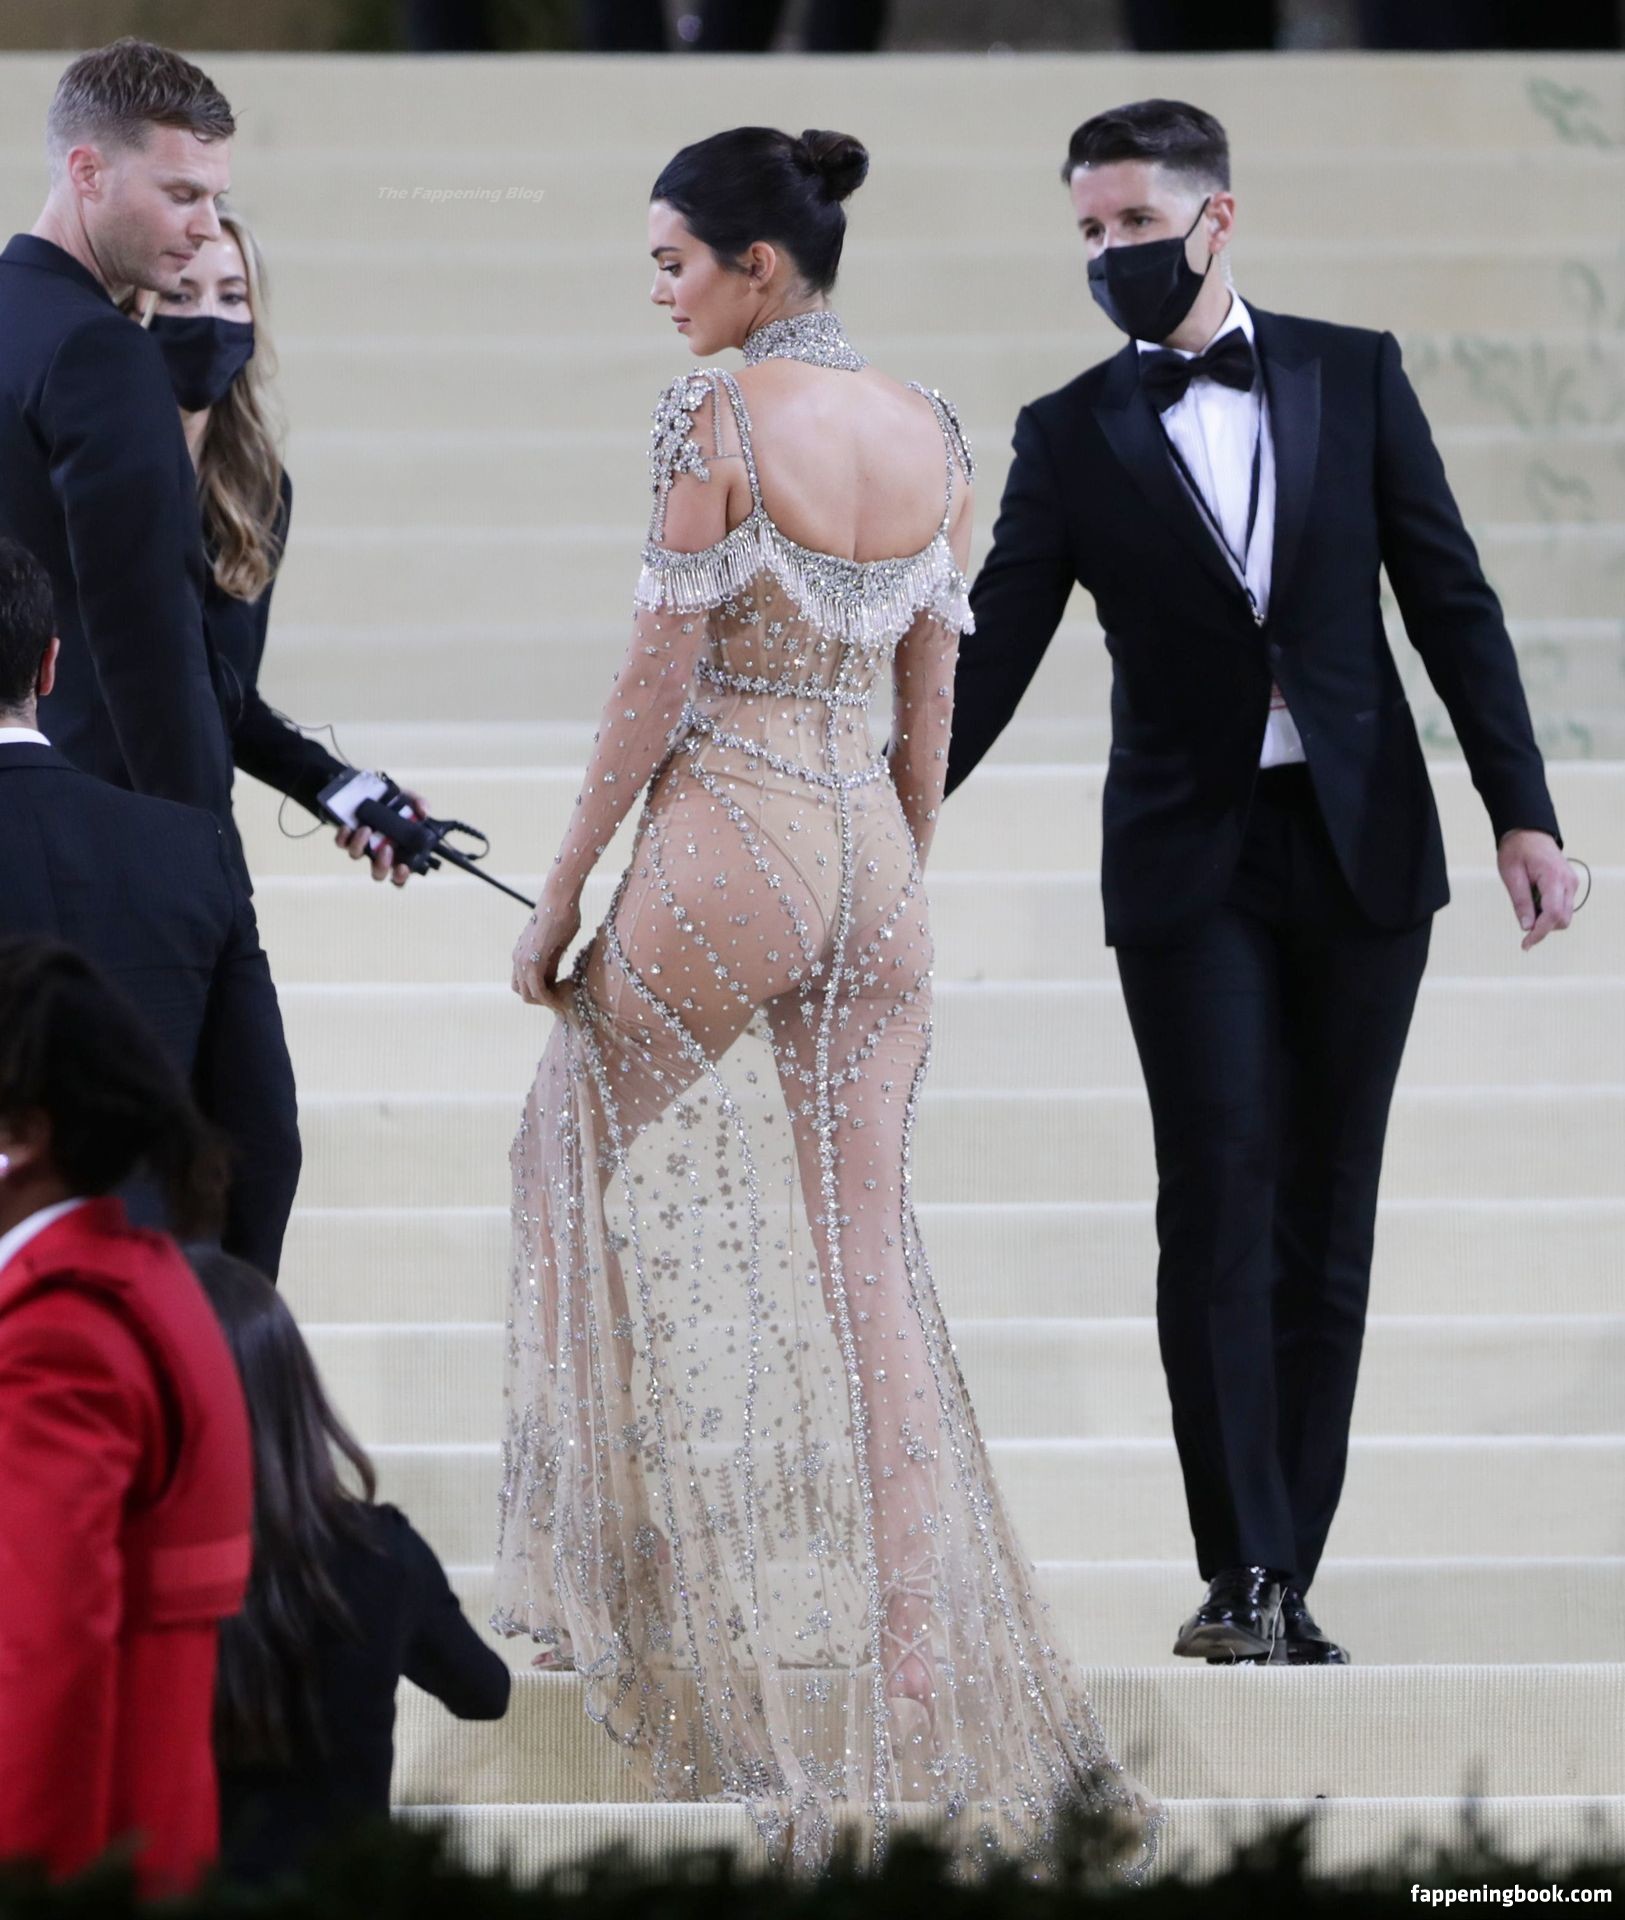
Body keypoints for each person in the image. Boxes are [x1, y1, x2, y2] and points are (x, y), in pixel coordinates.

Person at [493, 125, 1160, 1875]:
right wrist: (896, 878)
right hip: (871, 848)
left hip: (732, 825)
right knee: (872, 1260)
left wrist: (560, 893)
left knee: (555, 1152)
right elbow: (932, 699)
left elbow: (654, 681)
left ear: (758, 267)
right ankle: (918, 1650)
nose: (662, 293)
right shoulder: (930, 428)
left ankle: (609, 1580)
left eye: (674, 263)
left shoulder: (712, 421)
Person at [944, 99, 1581, 1666]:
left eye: (1134, 225)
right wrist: (881, 810)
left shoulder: (1351, 373)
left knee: (1325, 1212)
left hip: (1362, 842)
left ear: (1214, 220)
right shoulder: (1066, 432)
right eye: (1088, 232)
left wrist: (1521, 811)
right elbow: (994, 649)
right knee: (1219, 1195)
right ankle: (1236, 1571)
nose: (1109, 254)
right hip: (1190, 859)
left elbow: (1449, 597)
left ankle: (1290, 1573)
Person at [0, 937, 253, 1897]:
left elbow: (41, 1657)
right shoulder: (138, 1279)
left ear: (21, 1136)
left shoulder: (59, 1333)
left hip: (78, 1856)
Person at [0, 536, 300, 1278]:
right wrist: (215, 1310)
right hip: (149, 1294)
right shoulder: (188, 847)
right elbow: (263, 1134)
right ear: (49, 664)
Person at [126, 213, 429, 886]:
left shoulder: (259, 492)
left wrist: (350, 794)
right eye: (180, 295)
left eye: (232, 296)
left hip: (193, 837)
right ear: (135, 309)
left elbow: (230, 704)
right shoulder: (72, 465)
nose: (209, 318)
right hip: (71, 826)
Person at [189, 1249, 509, 1884]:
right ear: (293, 1383)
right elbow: (484, 1694)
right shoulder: (381, 1551)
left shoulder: (132, 1558)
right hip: (345, 1893)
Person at [0, 39, 242, 876]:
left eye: (214, 198)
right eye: (182, 193)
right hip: (88, 840)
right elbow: (149, 648)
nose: (205, 226)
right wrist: (207, 863)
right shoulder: (101, 350)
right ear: (88, 172)